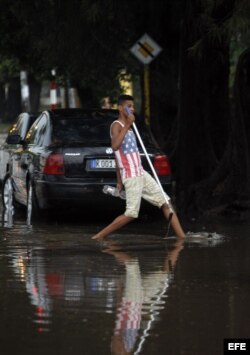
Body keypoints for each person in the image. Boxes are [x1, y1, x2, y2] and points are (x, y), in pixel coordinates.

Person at [92, 94, 185, 240]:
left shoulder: (130, 129)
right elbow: (115, 146)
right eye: (129, 107)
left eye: (133, 106)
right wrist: (128, 124)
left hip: (141, 173)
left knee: (166, 202)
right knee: (131, 213)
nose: (132, 109)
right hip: (131, 175)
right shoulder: (117, 126)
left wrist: (118, 181)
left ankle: (182, 238)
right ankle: (99, 237)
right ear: (120, 108)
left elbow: (118, 159)